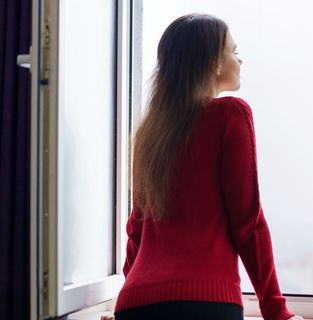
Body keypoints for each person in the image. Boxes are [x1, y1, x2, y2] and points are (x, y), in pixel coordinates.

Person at [102, 13, 302, 320]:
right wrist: (276, 310)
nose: (240, 60)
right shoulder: (231, 114)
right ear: (214, 63)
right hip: (204, 303)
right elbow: (248, 222)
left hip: (135, 304)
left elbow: (137, 229)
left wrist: (124, 299)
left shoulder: (149, 133)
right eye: (233, 51)